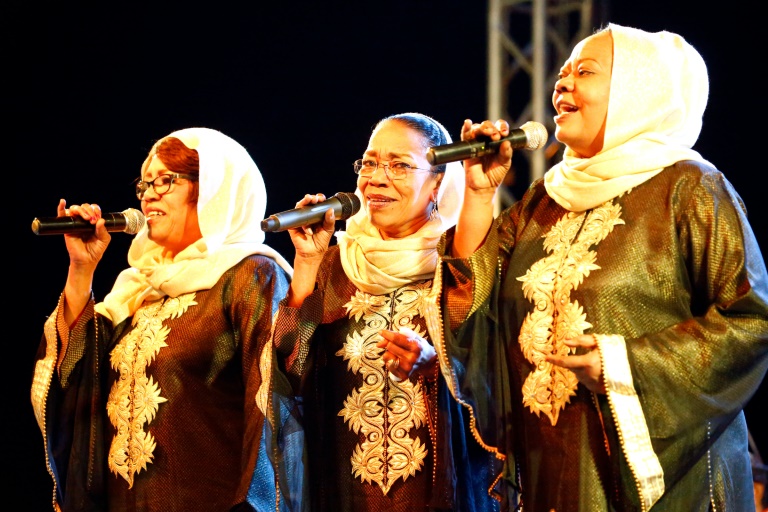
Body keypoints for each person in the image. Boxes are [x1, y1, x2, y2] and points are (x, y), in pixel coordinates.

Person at [441, 23, 768, 511]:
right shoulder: (541, 201)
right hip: (553, 472)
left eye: (584, 72)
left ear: (638, 92)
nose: (561, 83)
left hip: (665, 479)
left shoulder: (690, 187)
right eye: (563, 72)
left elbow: (751, 321)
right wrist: (480, 193)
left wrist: (621, 364)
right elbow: (473, 304)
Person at [30, 127, 304, 511]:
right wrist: (82, 270)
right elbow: (74, 379)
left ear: (213, 191)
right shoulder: (135, 291)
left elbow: (273, 403)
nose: (149, 194)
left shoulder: (250, 275)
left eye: (166, 181)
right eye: (145, 185)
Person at [271, 112, 515, 511]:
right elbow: (289, 373)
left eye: (399, 165)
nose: (376, 178)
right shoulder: (335, 264)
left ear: (437, 180)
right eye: (369, 163)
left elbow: (490, 358)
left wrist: (437, 365)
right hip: (343, 493)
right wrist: (307, 265)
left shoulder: (455, 259)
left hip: (444, 491)